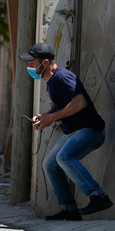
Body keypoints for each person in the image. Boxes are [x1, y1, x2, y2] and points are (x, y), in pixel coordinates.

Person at [19, 43, 113, 221]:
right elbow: (61, 107)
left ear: (45, 63)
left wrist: (51, 118)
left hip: (90, 131)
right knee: (49, 164)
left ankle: (98, 196)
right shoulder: (51, 80)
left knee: (64, 157)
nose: (29, 67)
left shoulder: (62, 77)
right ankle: (70, 209)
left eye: (32, 63)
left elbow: (80, 103)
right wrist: (45, 117)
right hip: (73, 132)